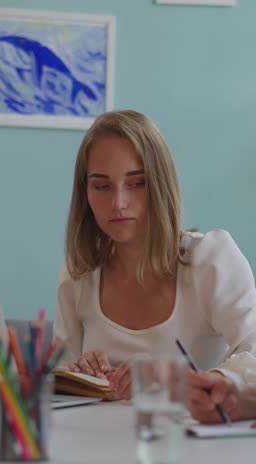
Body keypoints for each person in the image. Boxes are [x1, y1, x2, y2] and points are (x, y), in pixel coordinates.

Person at [53, 109, 256, 422]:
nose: (118, 202)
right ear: (85, 193)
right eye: (101, 186)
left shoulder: (211, 260)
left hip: (186, 449)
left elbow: (253, 352)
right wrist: (82, 373)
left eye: (137, 183)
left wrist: (169, 376)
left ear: (161, 186)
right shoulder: (79, 269)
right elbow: (60, 380)